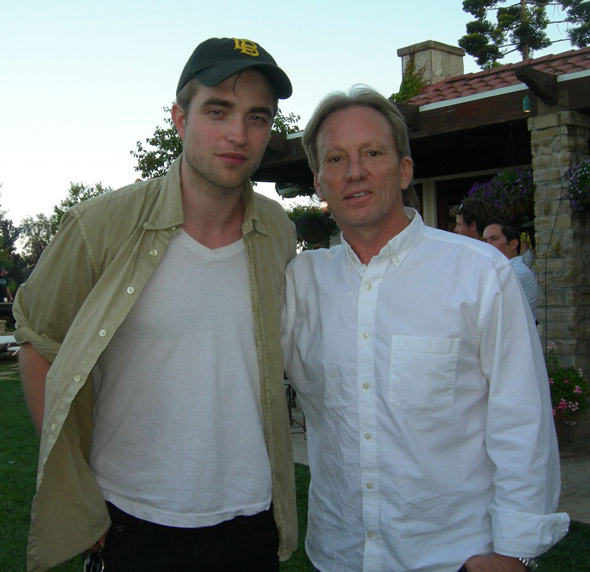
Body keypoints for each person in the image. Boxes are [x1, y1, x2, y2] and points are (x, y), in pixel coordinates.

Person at [15, 37, 297, 572]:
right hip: (130, 518)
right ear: (180, 119)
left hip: (251, 518)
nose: (239, 134)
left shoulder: (278, 231)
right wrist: (80, 496)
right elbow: (38, 344)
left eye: (257, 117)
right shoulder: (99, 227)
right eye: (218, 110)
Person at [281, 86, 569, 572]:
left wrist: (515, 552)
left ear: (404, 170)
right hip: (339, 554)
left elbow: (522, 420)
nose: (355, 171)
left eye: (372, 153)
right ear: (319, 183)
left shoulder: (480, 274)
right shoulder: (300, 283)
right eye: (336, 159)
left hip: (453, 556)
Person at [483, 220, 539, 318]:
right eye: (485, 241)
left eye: (494, 239)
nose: (487, 245)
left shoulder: (516, 273)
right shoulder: (501, 270)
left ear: (513, 244)